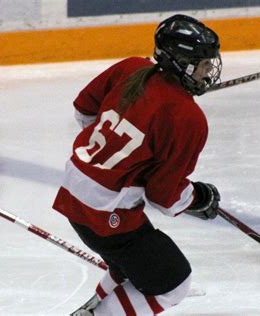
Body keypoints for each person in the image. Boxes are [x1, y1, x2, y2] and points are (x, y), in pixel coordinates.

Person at [52, 14, 222, 316]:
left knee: (133, 264)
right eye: (204, 63)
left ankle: (94, 307)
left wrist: (110, 157)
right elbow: (163, 196)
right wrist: (198, 197)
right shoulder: (188, 118)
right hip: (106, 215)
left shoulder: (132, 68)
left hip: (73, 191)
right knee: (174, 283)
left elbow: (83, 109)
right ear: (181, 62)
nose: (210, 70)